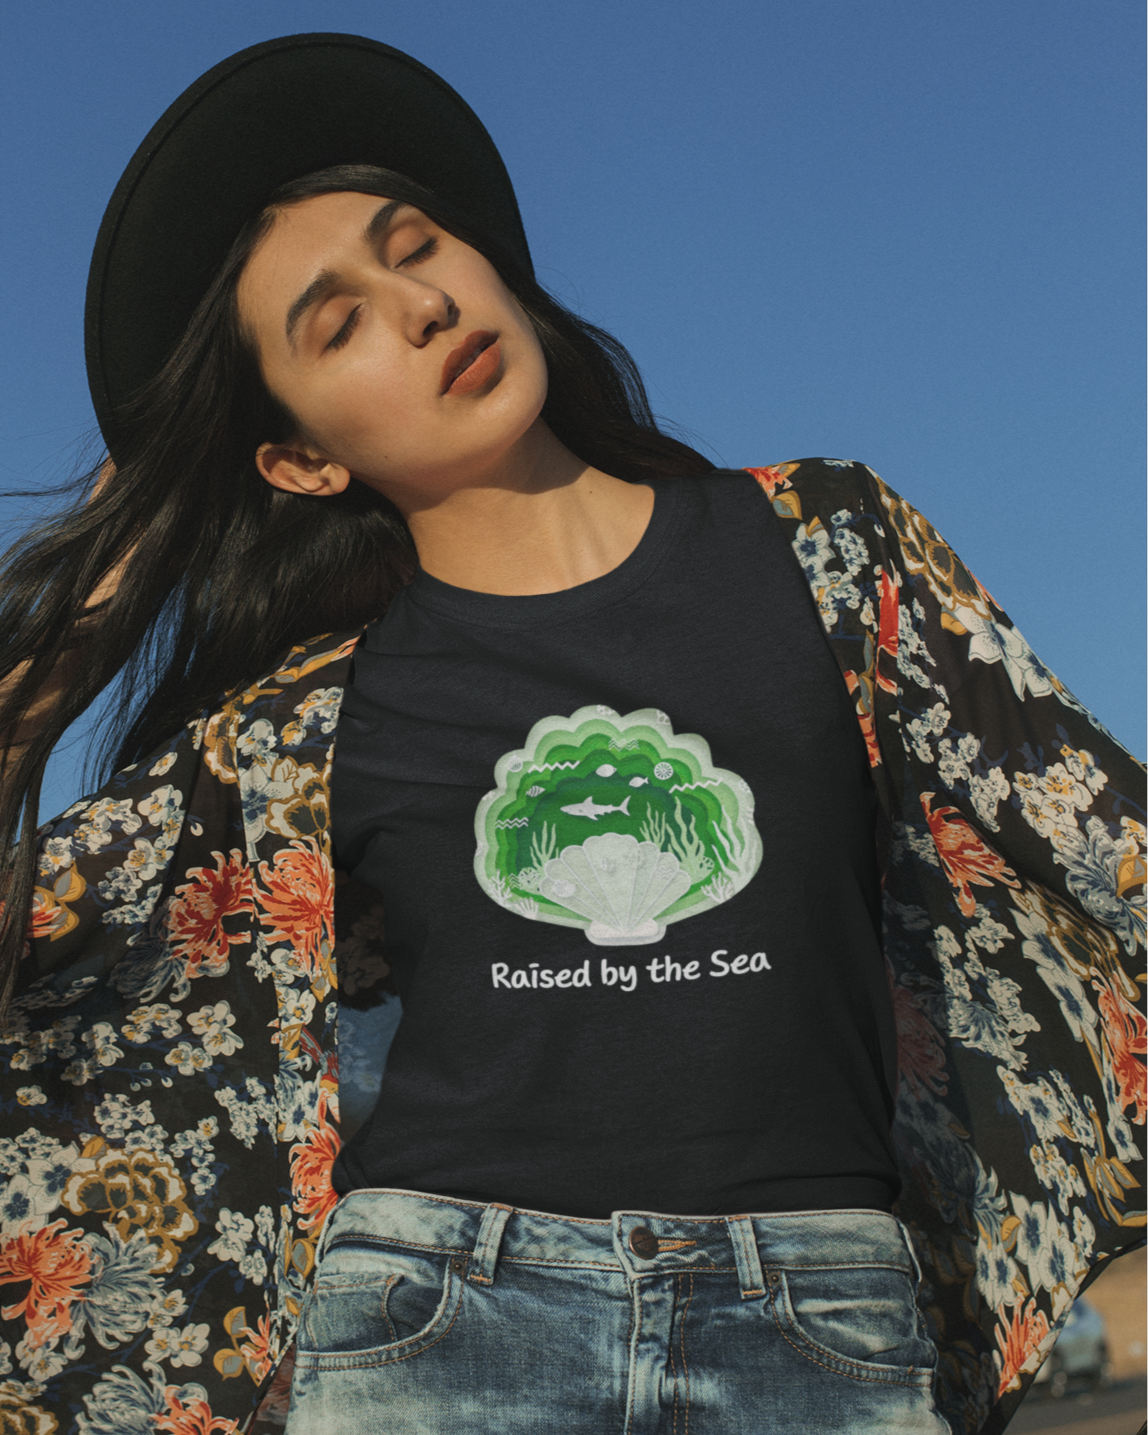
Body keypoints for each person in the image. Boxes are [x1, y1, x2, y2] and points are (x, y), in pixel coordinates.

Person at [0, 32, 1144, 1435]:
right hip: (442, 1323)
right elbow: (43, 980)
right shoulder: (301, 722)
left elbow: (1098, 833)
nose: (417, 304)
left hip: (824, 1318)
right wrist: (32, 703)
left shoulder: (830, 548)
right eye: (336, 321)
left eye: (413, 244)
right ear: (302, 458)